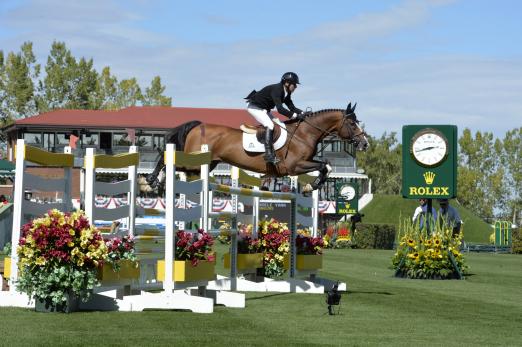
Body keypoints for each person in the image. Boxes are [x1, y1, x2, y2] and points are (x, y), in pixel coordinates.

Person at [245, 72, 309, 164]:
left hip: (264, 109)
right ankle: (268, 155)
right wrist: (295, 116)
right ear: (287, 83)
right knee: (270, 125)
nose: (296, 87)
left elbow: (292, 108)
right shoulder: (277, 90)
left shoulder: (286, 92)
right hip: (255, 108)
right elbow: (280, 109)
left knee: (280, 124)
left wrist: (303, 113)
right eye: (294, 84)